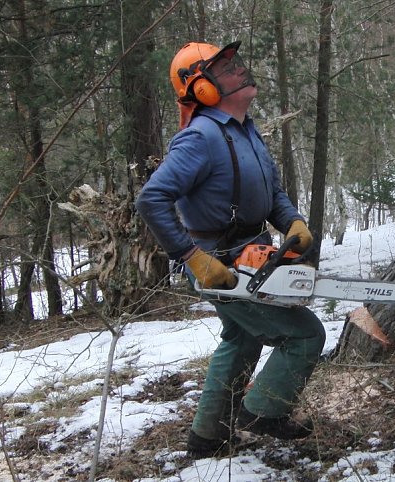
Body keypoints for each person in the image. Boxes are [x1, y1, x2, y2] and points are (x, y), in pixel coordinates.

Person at [135, 40, 326, 458]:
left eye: (236, 63)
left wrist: (292, 222)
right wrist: (192, 257)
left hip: (252, 252)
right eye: (225, 68)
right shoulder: (200, 138)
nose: (239, 69)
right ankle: (264, 412)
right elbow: (151, 199)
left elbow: (272, 192)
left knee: (241, 340)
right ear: (201, 88)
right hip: (220, 264)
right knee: (305, 334)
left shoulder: (244, 130)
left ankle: (208, 436)